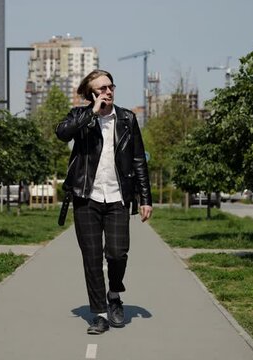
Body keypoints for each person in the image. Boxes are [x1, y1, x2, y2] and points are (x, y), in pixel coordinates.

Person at [55, 69, 153, 335]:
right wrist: (91, 113)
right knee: (92, 257)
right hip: (86, 197)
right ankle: (99, 314)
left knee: (118, 253)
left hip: (118, 197)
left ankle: (114, 294)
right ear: (92, 94)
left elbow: (138, 160)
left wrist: (145, 198)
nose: (108, 92)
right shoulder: (80, 116)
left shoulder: (127, 119)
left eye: (110, 86)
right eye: (102, 89)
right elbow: (62, 133)